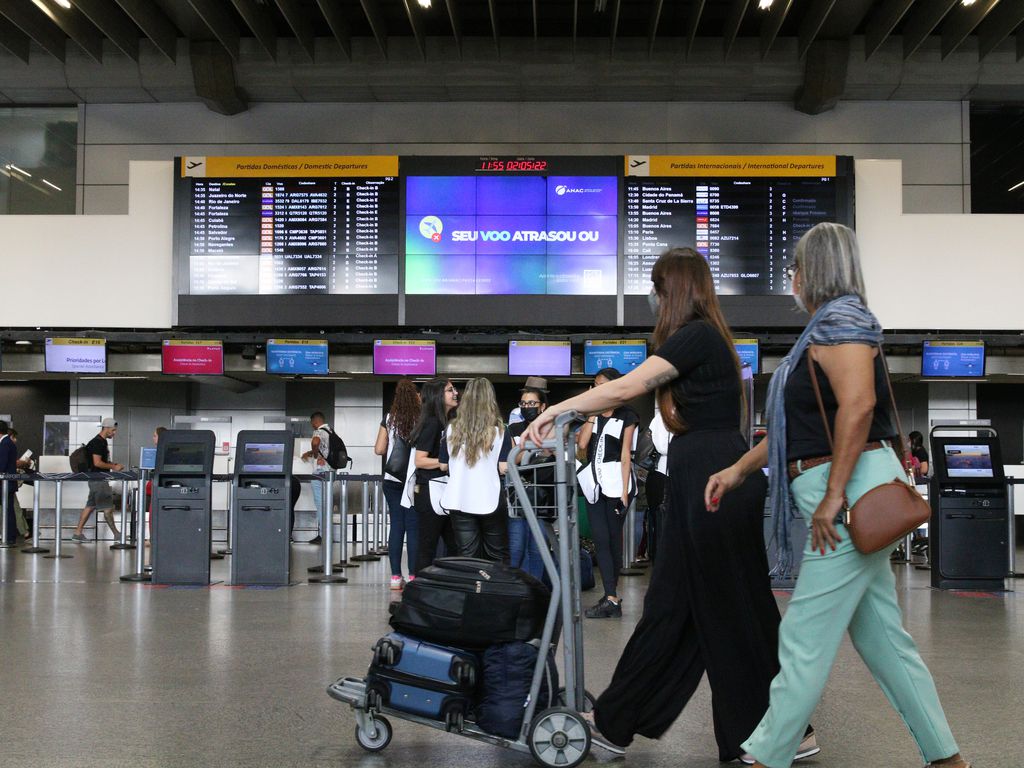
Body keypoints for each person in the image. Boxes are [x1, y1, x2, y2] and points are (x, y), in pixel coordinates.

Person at [524, 248, 804, 762]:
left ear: (673, 290)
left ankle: (774, 731)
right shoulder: (706, 338)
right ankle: (620, 720)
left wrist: (555, 410)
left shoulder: (696, 335)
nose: (653, 298)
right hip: (705, 474)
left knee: (730, 611)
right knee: (680, 607)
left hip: (712, 479)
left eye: (657, 288)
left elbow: (629, 386)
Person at [705, 223, 968, 768]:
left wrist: (832, 495)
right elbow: (795, 432)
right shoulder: (827, 327)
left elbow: (859, 405)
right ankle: (946, 759)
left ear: (815, 270)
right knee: (884, 641)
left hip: (847, 503)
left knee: (803, 637)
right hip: (849, 494)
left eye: (796, 268)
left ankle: (766, 755)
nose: (792, 278)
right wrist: (737, 470)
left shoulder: (841, 323)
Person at [575, 367, 639, 619]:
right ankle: (611, 596)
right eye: (595, 384)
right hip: (594, 484)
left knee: (612, 539)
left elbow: (625, 455)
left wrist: (624, 491)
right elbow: (582, 444)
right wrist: (592, 414)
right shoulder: (592, 415)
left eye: (601, 384)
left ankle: (611, 596)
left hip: (617, 484)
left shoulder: (627, 415)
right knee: (600, 539)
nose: (596, 388)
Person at [439, 378, 512, 561]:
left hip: (459, 498)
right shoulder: (500, 431)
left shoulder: (451, 430)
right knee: (497, 555)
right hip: (490, 498)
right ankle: (492, 581)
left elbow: (443, 465)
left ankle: (471, 581)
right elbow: (503, 468)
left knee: (467, 556)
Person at [375, 379, 421, 589]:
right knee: (413, 527)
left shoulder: (389, 418)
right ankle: (413, 576)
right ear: (416, 397)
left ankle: (395, 577)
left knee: (396, 526)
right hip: (413, 479)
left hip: (392, 479)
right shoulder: (422, 418)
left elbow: (379, 449)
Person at [411, 378, 459, 573]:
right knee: (428, 546)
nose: (455, 393)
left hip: (441, 491)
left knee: (454, 546)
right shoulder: (433, 423)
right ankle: (419, 585)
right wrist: (445, 463)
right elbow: (420, 460)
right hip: (430, 491)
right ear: (438, 396)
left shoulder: (447, 422)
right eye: (450, 390)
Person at [506, 384, 550, 579]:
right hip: (517, 494)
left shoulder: (551, 428)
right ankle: (518, 589)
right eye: (523, 404)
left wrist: (524, 449)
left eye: (532, 403)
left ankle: (535, 589)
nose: (527, 407)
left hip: (544, 495)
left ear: (542, 406)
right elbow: (511, 458)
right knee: (516, 548)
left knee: (538, 547)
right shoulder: (513, 428)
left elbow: (556, 455)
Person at [72, 417, 123, 542]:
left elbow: (100, 461)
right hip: (99, 480)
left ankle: (77, 533)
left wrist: (112, 464)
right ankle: (117, 534)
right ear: (106, 428)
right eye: (113, 430)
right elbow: (97, 463)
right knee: (108, 509)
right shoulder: (97, 442)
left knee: (90, 506)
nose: (114, 433)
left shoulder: (101, 442)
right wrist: (114, 467)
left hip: (95, 479)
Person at [300, 411, 335, 545]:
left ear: (315, 421)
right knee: (327, 503)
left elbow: (315, 443)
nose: (312, 425)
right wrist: (311, 452)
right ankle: (328, 534)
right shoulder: (330, 431)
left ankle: (323, 535)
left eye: (312, 423)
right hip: (330, 471)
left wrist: (314, 454)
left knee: (321, 504)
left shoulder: (318, 431)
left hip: (320, 471)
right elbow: (324, 450)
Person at [0, 420, 18, 544]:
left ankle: (9, 537)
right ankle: (9, 537)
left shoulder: (5, 443)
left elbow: (2, 464)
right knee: (8, 510)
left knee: (8, 510)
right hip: (7, 483)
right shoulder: (7, 442)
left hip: (5, 483)